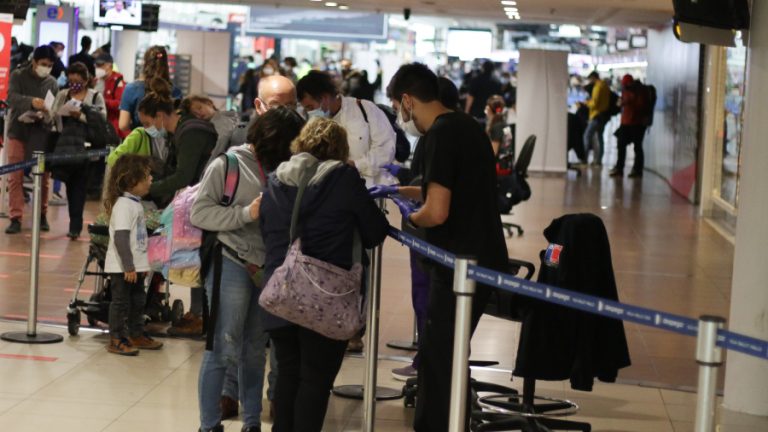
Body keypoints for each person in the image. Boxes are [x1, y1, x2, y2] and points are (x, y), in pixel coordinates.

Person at [380, 63, 508, 431]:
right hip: (483, 257)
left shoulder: (438, 135)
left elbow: (436, 213)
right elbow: (455, 187)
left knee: (439, 360)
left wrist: (410, 216)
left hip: (458, 266)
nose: (401, 118)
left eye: (396, 109)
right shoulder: (467, 126)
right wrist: (407, 192)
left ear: (406, 100)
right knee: (451, 354)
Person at [260, 118, 389, 431]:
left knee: (288, 373)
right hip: (325, 296)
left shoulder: (276, 178)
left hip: (282, 290)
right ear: (340, 149)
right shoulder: (344, 178)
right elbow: (375, 231)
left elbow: (266, 230)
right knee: (315, 380)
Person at [191, 107, 304, 432]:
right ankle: (209, 425)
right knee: (222, 348)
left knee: (254, 351)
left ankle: (252, 422)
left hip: (268, 267)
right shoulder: (228, 164)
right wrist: (245, 214)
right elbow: (200, 212)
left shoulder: (283, 168)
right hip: (230, 260)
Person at [103, 154, 163, 355]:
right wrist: (129, 266)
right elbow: (121, 239)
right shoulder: (123, 206)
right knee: (121, 302)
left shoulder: (135, 203)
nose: (151, 179)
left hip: (135, 267)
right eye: (146, 176)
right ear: (131, 180)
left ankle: (136, 333)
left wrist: (142, 266)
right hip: (123, 268)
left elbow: (138, 240)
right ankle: (116, 337)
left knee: (138, 301)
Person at [297, 70, 396, 187]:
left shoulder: (365, 109)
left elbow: (385, 151)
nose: (309, 112)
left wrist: (355, 164)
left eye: (310, 107)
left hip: (371, 189)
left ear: (324, 97)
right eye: (306, 108)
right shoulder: (311, 125)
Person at [5, 45, 59, 235]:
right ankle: (15, 217)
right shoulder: (18, 75)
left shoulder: (52, 82)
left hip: (41, 134)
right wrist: (31, 102)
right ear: (34, 61)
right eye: (43, 64)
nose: (46, 68)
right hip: (18, 132)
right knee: (15, 176)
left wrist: (46, 112)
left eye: (50, 65)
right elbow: (11, 97)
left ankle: (42, 214)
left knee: (43, 179)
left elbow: (53, 109)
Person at [51, 62, 107, 240]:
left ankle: (76, 225)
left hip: (86, 148)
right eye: (71, 80)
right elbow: (54, 115)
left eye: (78, 80)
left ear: (85, 80)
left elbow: (101, 119)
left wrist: (81, 116)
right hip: (66, 147)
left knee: (80, 187)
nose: (74, 84)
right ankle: (74, 223)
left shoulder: (95, 96)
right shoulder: (62, 94)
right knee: (71, 186)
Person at [119, 46, 183, 132]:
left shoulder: (131, 89)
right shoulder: (175, 91)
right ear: (166, 65)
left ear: (144, 64)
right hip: (167, 143)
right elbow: (177, 123)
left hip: (141, 142)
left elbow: (123, 125)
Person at [610, 74, 649, 178]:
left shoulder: (638, 91)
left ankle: (636, 170)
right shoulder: (627, 90)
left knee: (636, 147)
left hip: (636, 124)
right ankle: (620, 168)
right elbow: (621, 104)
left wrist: (627, 100)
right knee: (622, 145)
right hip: (627, 123)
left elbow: (640, 106)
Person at [181, 95, 239, 162]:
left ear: (209, 103)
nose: (199, 113)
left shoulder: (219, 119)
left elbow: (223, 138)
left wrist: (208, 168)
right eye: (195, 114)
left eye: (199, 108)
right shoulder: (211, 124)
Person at [94, 53, 127, 139]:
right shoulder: (96, 81)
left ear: (109, 65)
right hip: (98, 124)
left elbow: (120, 104)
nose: (97, 68)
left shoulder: (117, 82)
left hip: (113, 126)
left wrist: (103, 102)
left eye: (100, 65)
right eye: (96, 65)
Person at [581, 71, 610, 166]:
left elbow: (594, 103)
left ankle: (584, 159)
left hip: (596, 115)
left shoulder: (597, 87)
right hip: (603, 115)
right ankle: (598, 160)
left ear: (593, 77)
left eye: (590, 79)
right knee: (600, 138)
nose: (590, 81)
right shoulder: (605, 86)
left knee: (586, 135)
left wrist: (586, 103)